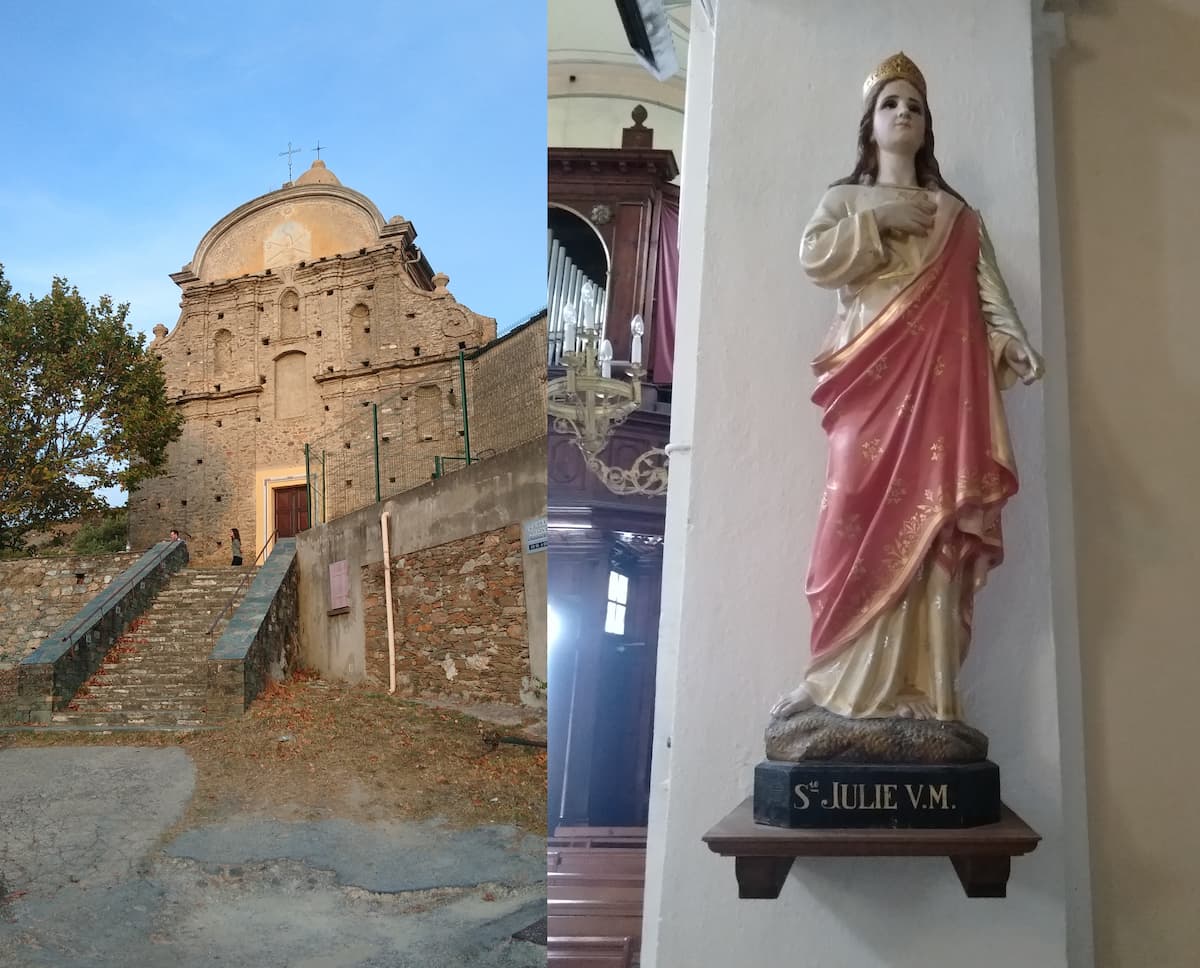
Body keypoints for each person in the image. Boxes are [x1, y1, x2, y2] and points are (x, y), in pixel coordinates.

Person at [771, 52, 1044, 725]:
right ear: (871, 124)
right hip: (868, 379)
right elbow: (813, 256)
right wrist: (878, 221)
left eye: (915, 106)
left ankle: (929, 691)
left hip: (942, 392)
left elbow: (989, 300)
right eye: (891, 103)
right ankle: (831, 673)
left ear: (927, 129)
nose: (903, 113)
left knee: (936, 527)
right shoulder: (845, 198)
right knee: (847, 518)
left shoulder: (958, 218)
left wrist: (1011, 341)